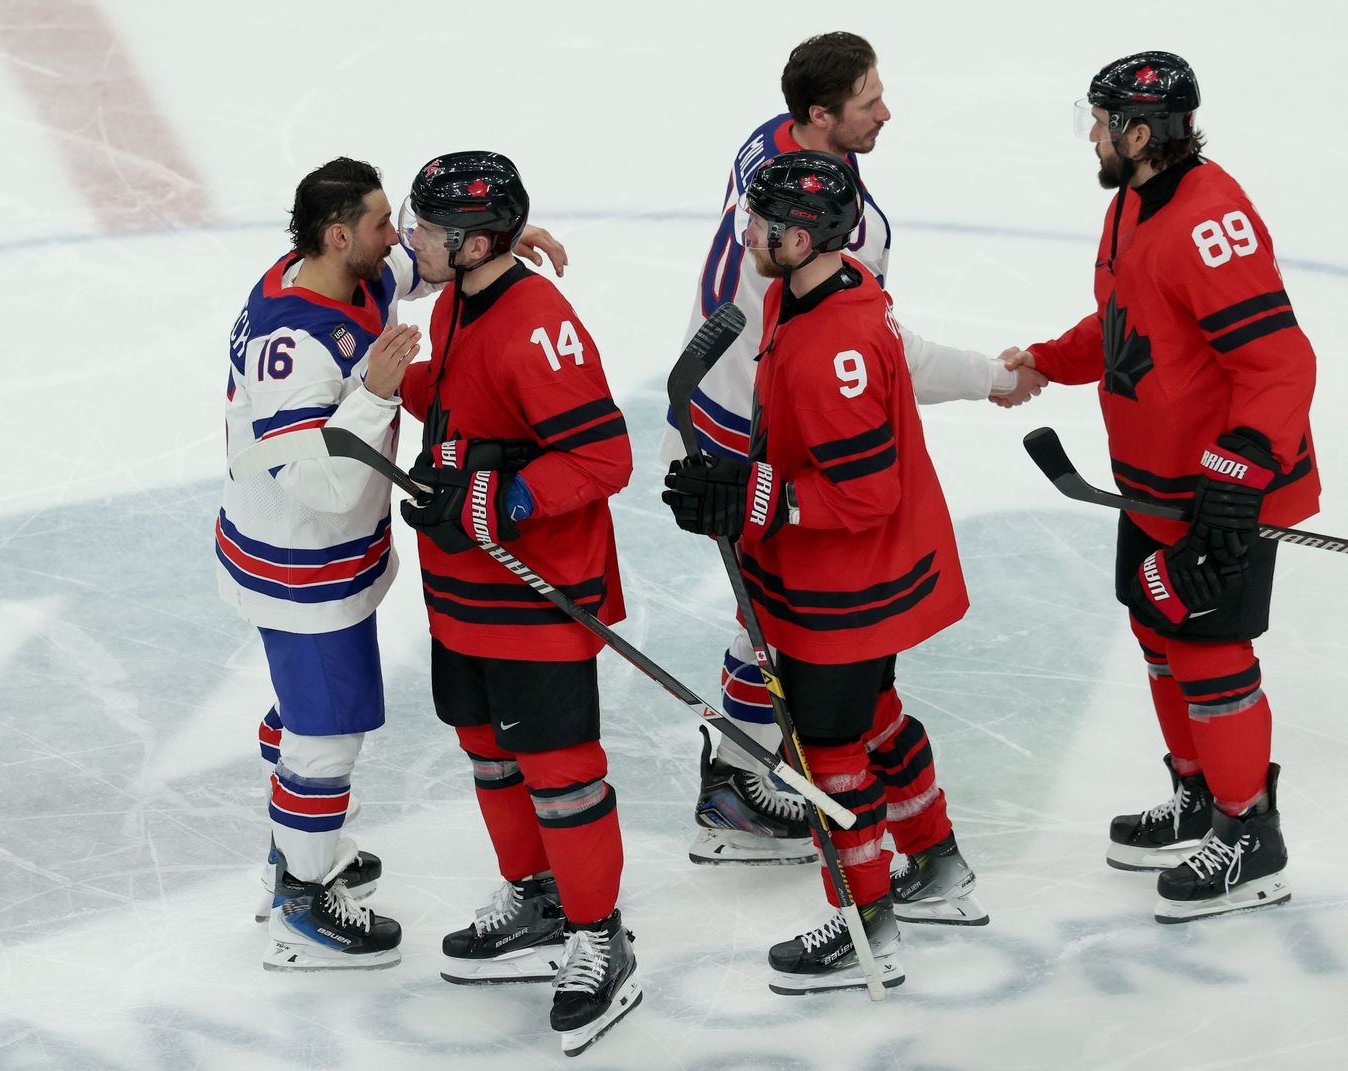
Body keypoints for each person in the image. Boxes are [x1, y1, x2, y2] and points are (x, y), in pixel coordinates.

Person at [669, 30, 1000, 929]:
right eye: (868, 100)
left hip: (752, 426)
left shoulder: (767, 150)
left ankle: (759, 793)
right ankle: (748, 783)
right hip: (758, 428)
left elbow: (864, 416)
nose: (886, 111)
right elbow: (877, 361)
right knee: (787, 643)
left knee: (798, 662)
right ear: (818, 117)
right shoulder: (843, 243)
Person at [221, 157, 572, 970]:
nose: (401, 239)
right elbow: (317, 488)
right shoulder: (291, 345)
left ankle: (298, 847)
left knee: (311, 716)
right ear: (340, 234)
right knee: (326, 728)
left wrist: (504, 238)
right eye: (386, 225)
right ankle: (303, 903)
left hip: (317, 561)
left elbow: (422, 264)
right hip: (299, 566)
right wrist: (378, 392)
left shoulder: (340, 273)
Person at [1007, 52, 1318, 922]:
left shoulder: (1210, 222)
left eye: (1103, 122)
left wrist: (1236, 481)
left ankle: (1249, 831)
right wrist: (1048, 360)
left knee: (1209, 648)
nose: (1095, 136)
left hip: (1218, 492)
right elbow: (1132, 323)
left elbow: (1281, 363)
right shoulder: (1132, 203)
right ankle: (1195, 793)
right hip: (1153, 484)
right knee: (1156, 626)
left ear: (1141, 134)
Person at [396, 151, 639, 1056]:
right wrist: (399, 386)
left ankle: (599, 935)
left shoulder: (538, 323)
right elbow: (464, 395)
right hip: (463, 585)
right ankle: (538, 898)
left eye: (425, 227)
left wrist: (498, 501)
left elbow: (602, 457)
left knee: (561, 767)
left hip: (537, 593)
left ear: (472, 241)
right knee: (489, 750)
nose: (413, 241)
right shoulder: (462, 296)